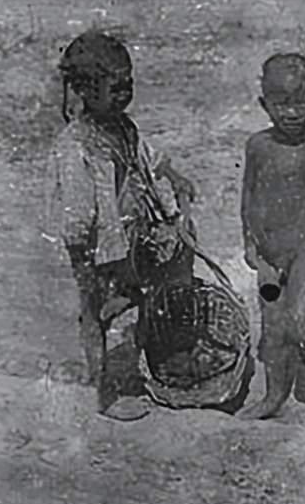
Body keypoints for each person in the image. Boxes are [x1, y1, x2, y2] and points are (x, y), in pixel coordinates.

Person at [45, 30, 196, 412]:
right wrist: (81, 251)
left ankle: (145, 351)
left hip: (127, 236)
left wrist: (173, 177)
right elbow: (76, 207)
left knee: (144, 288)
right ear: (85, 90)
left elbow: (148, 159)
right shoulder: (76, 144)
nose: (125, 94)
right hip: (93, 244)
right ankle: (103, 393)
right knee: (94, 308)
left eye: (129, 85)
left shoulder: (123, 127)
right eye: (116, 88)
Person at [237, 52, 305, 428]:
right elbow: (248, 196)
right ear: (264, 103)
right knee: (272, 328)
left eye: (301, 102)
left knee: (299, 322)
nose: (293, 113)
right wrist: (249, 243)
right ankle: (274, 395)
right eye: (282, 104)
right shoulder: (257, 146)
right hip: (269, 258)